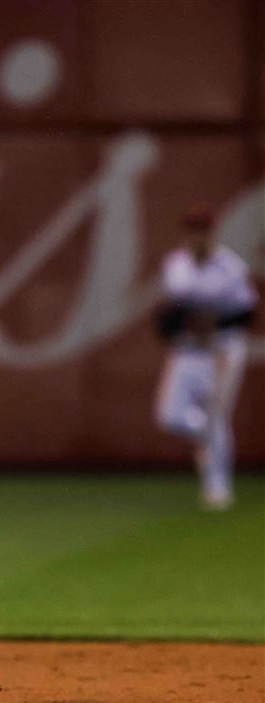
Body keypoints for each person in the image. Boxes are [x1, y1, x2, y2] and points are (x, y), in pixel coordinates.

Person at [154, 206, 258, 510]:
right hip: (186, 350)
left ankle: (218, 488)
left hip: (221, 351)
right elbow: (170, 311)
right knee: (170, 416)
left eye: (202, 229)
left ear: (212, 233)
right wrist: (179, 325)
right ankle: (206, 438)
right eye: (192, 229)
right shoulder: (176, 264)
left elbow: (246, 314)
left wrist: (214, 322)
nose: (197, 236)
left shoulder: (230, 267)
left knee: (217, 417)